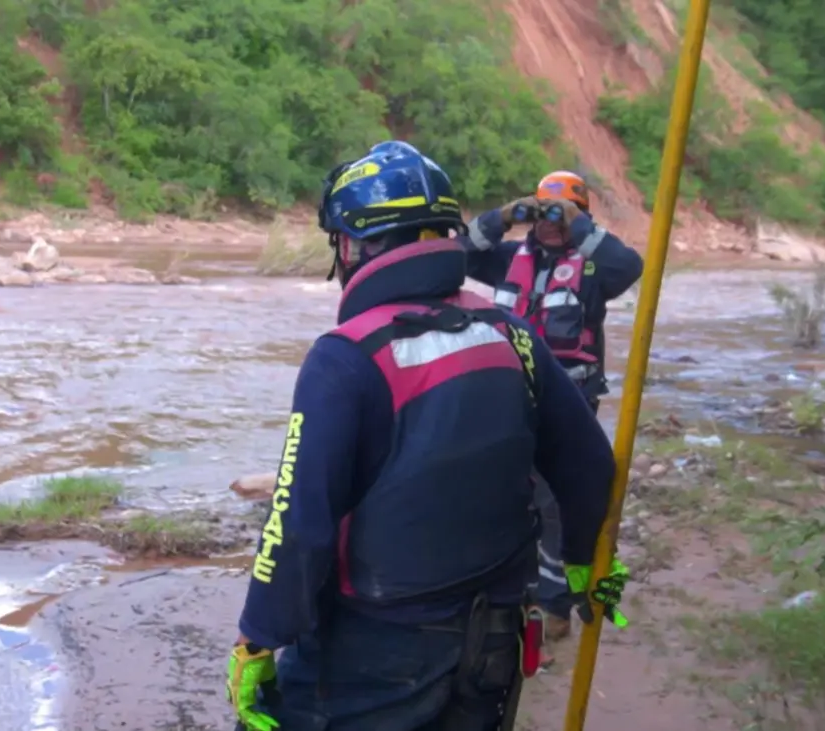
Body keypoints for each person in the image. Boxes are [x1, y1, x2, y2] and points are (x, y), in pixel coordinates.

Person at [225, 142, 631, 731]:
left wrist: (258, 639)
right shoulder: (509, 333)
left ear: (352, 245)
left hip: (373, 652)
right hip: (494, 639)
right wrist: (581, 562)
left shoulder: (343, 358)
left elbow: (297, 525)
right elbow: (590, 466)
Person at [463, 172, 643, 643]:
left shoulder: (594, 270)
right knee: (507, 492)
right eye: (544, 211)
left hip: (570, 400)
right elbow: (460, 253)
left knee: (556, 501)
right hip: (510, 393)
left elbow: (630, 265)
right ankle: (516, 591)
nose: (549, 223)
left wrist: (577, 225)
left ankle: (555, 604)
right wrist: (502, 217)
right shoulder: (508, 258)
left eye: (561, 214)